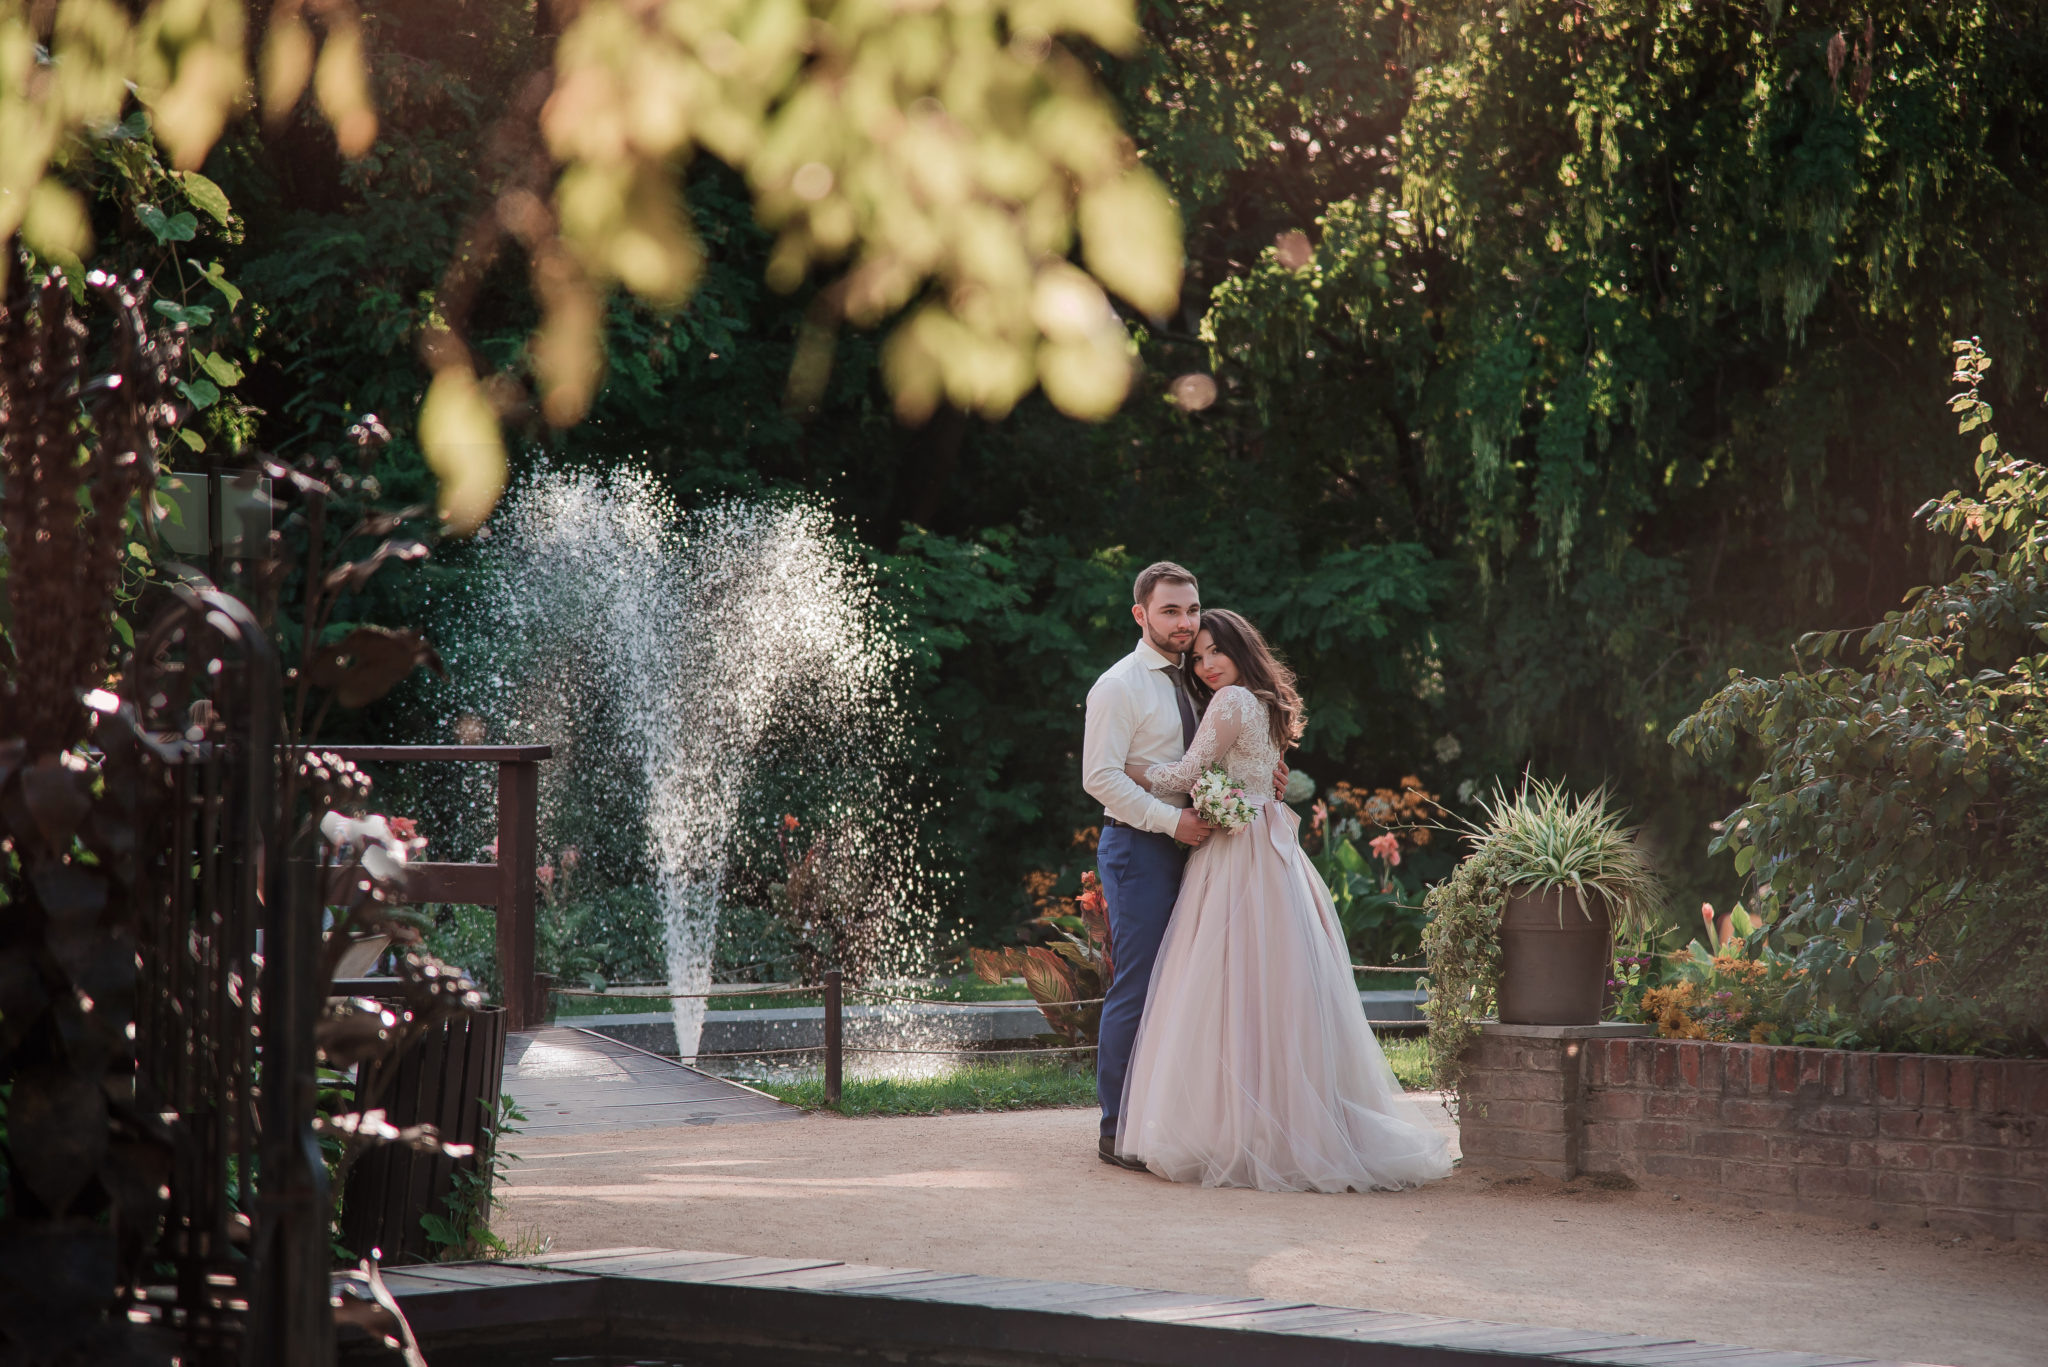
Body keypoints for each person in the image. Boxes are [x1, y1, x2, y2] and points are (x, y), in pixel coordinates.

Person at [1113, 608, 1452, 1192]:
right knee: (1275, 984)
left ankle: (1241, 1130)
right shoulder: (1269, 705)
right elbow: (1250, 772)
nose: (1207, 664)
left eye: (1215, 650)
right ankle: (1281, 1123)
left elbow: (1186, 772)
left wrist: (1126, 768)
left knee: (1225, 986)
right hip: (1272, 850)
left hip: (1238, 851)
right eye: (1197, 657)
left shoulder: (1228, 702)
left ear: (1241, 649)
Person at [1081, 564, 1284, 1169]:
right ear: (1140, 614)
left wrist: (1262, 781)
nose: (1185, 623)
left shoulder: (1203, 679)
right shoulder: (1119, 686)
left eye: (1191, 610)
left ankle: (1181, 1122)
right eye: (1171, 611)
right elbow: (1100, 778)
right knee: (1141, 986)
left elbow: (1224, 755)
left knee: (1197, 990)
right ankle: (1117, 1130)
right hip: (1142, 847)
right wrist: (1172, 823)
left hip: (1210, 851)